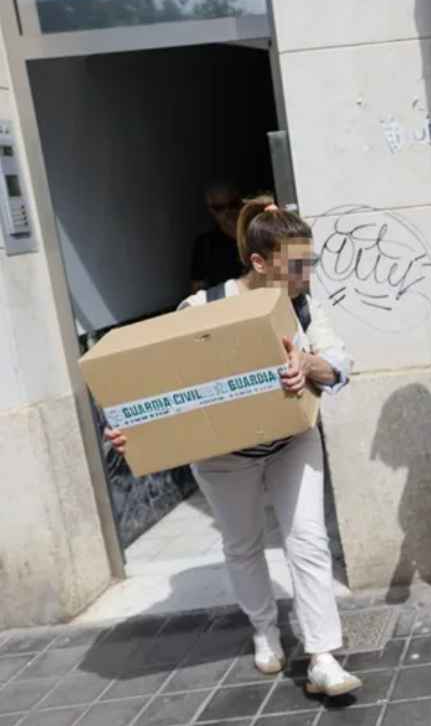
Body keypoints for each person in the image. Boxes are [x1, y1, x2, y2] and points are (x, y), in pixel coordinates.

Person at [106, 195, 362, 698]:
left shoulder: (306, 305)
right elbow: (161, 384)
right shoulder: (203, 309)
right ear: (259, 263)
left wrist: (311, 366)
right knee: (243, 544)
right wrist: (132, 427)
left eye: (310, 263)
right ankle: (265, 630)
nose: (306, 275)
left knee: (307, 541)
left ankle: (322, 656)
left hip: (293, 442)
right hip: (225, 457)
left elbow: (340, 363)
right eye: (296, 266)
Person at [191, 181, 246, 293]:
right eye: (219, 208)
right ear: (211, 210)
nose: (228, 212)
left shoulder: (257, 234)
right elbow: (198, 289)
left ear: (241, 203)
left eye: (233, 204)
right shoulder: (204, 245)